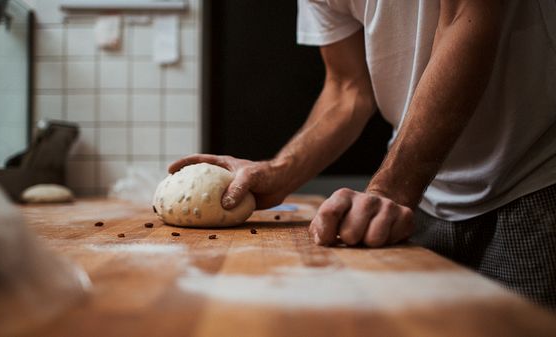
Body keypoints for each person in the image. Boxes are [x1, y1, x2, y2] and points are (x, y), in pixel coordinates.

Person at [170, 1, 556, 309]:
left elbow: (467, 19)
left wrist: (390, 190)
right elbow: (348, 89)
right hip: (424, 199)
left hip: (530, 183)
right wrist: (278, 171)